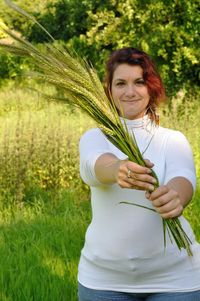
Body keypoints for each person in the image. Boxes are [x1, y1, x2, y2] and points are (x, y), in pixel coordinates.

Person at [77, 48, 200, 301]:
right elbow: (94, 166)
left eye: (139, 82)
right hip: (103, 281)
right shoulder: (95, 137)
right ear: (109, 90)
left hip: (177, 280)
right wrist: (118, 169)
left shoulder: (172, 139)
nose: (130, 91)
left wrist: (175, 196)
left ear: (151, 87)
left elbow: (184, 178)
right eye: (120, 83)